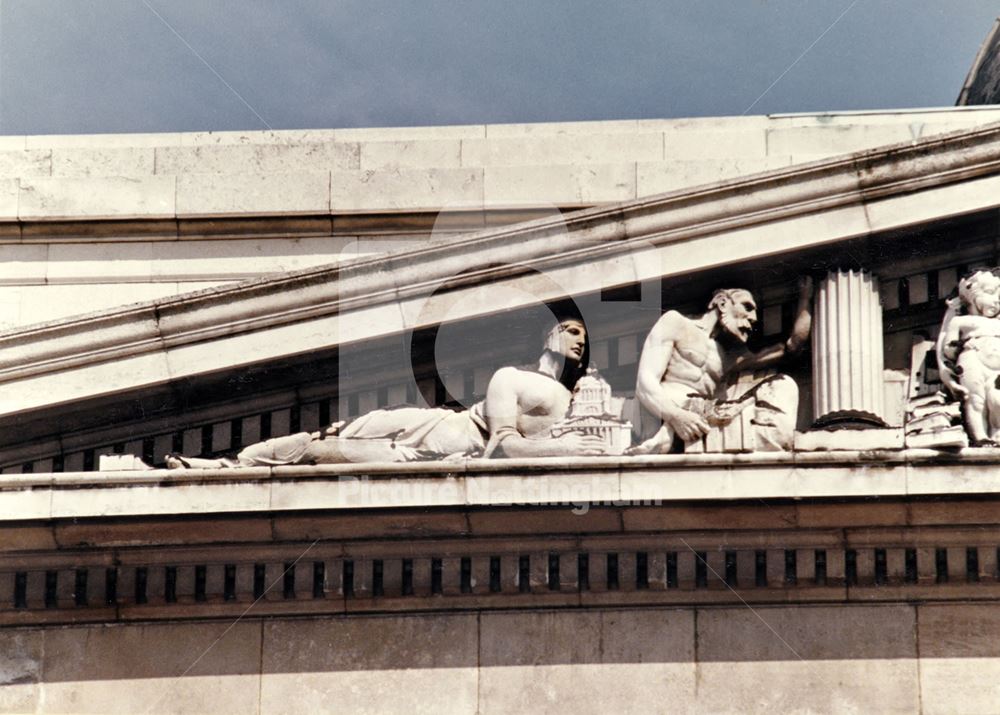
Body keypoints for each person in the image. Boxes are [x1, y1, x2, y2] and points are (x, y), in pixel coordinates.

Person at [165, 313, 606, 468]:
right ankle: (235, 463)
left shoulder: (576, 397)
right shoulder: (511, 375)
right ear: (547, 336)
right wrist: (572, 454)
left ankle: (234, 465)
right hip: (435, 429)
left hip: (432, 456)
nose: (578, 340)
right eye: (570, 330)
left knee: (323, 453)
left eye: (583, 336)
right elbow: (505, 445)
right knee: (335, 432)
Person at [630, 277, 812, 454]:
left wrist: (805, 298)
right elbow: (645, 381)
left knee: (782, 388)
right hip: (667, 414)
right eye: (747, 307)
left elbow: (791, 348)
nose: (753, 318)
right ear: (722, 303)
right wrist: (675, 416)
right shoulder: (676, 322)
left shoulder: (728, 356)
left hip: (703, 418)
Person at [936, 269, 1000, 446]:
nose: (996, 300)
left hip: (997, 369)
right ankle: (980, 436)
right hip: (973, 360)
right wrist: (958, 347)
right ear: (972, 296)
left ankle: (997, 433)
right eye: (990, 294)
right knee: (976, 399)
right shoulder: (962, 321)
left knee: (997, 399)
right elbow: (947, 348)